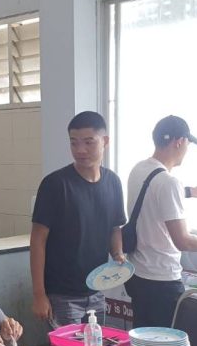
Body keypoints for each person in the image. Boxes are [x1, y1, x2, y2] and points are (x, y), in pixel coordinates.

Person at [124, 116, 197, 328]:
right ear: (179, 142)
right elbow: (183, 241)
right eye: (188, 143)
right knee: (167, 343)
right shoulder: (169, 182)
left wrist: (192, 192)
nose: (187, 149)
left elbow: (153, 195)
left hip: (138, 276)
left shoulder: (139, 169)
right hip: (162, 281)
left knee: (143, 340)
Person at [31, 111, 126, 326]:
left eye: (89, 142)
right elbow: (37, 240)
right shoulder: (55, 184)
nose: (80, 150)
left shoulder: (113, 182)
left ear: (105, 141)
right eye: (74, 143)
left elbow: (115, 227)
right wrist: (39, 294)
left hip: (97, 289)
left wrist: (118, 253)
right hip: (61, 293)